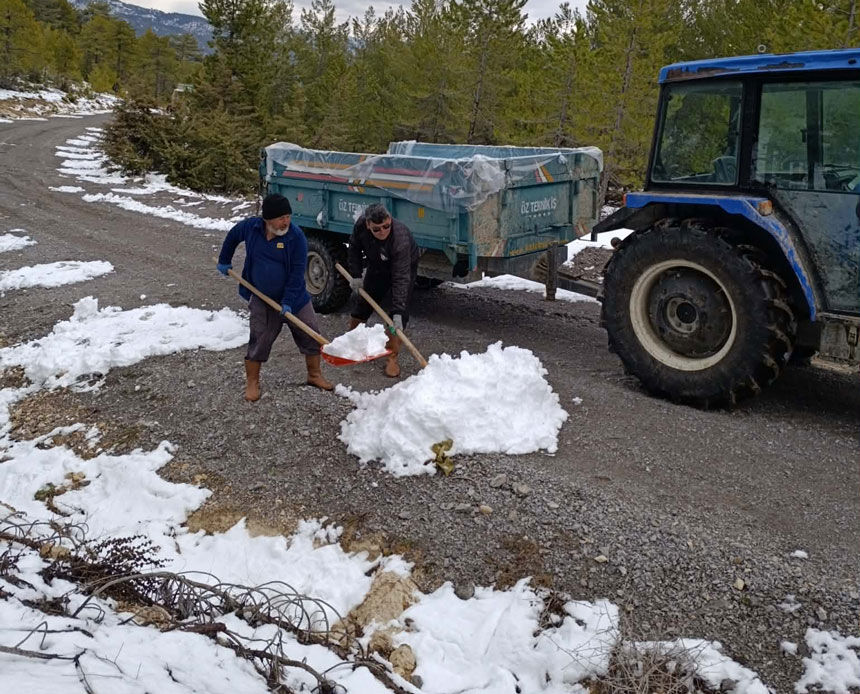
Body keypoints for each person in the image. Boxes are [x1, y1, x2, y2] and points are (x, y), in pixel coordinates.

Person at [217, 193, 333, 400]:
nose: (286, 222)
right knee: (259, 337)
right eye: (281, 218)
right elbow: (233, 235)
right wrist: (224, 259)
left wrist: (288, 302)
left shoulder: (295, 237)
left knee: (310, 332)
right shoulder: (251, 228)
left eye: (288, 216)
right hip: (261, 297)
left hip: (295, 299)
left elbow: (297, 274)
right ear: (267, 219)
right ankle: (252, 382)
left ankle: (314, 375)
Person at [347, 203, 420, 378]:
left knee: (397, 316)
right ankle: (351, 341)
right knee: (363, 304)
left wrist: (398, 310)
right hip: (377, 265)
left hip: (404, 268)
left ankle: (392, 356)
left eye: (386, 226)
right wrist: (356, 275)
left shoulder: (400, 238)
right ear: (368, 225)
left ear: (390, 220)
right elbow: (354, 248)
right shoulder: (360, 226)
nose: (382, 232)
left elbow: (401, 278)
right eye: (377, 229)